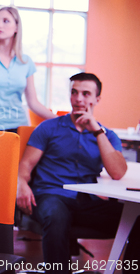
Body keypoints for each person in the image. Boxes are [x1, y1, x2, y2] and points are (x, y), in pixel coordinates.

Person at [16, 72, 140, 274]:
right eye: (74, 92)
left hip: (86, 202)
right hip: (50, 196)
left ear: (97, 99)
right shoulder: (48, 127)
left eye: (85, 93)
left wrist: (97, 131)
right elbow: (26, 165)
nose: (79, 99)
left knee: (136, 219)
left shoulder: (107, 135)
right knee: (57, 216)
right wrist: (21, 185)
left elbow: (117, 173)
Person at [0, 6, 55, 132]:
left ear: (16, 27)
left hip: (20, 127)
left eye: (6, 21)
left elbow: (33, 103)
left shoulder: (26, 62)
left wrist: (60, 120)